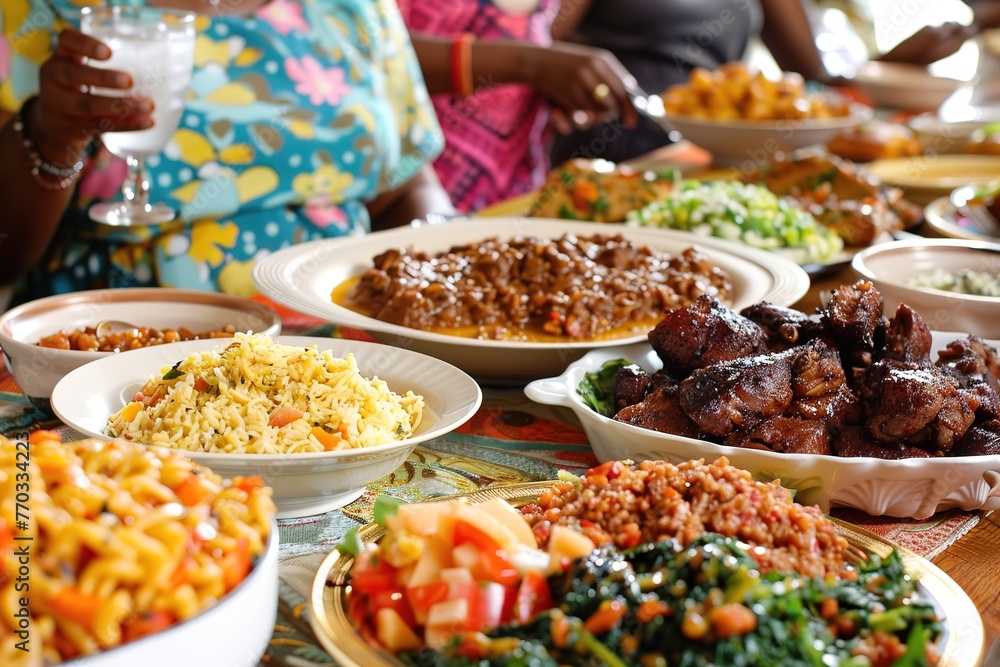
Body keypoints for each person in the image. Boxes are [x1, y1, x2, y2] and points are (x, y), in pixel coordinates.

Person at [0, 0, 455, 302]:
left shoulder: (354, 8)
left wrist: (438, 256)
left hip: (335, 352)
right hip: (113, 353)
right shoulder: (50, 12)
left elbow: (405, 185)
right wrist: (51, 136)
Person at [549, 0, 993, 165]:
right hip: (612, 157)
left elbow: (816, 78)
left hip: (712, 161)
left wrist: (898, 59)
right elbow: (534, 42)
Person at [396, 0, 640, 213]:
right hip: (418, 196)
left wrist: (554, 83)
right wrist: (530, 64)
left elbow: (529, 36)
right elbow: (375, 55)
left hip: (518, 197)